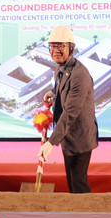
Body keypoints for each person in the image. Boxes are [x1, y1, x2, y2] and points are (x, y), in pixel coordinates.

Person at [39, 26, 98, 193]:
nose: (56, 51)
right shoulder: (62, 67)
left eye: (61, 46)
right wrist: (53, 92)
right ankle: (77, 216)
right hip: (68, 135)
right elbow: (63, 87)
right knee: (72, 183)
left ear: (71, 48)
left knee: (78, 184)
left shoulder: (79, 74)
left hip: (80, 136)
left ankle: (86, 217)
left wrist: (51, 142)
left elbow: (71, 112)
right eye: (53, 46)